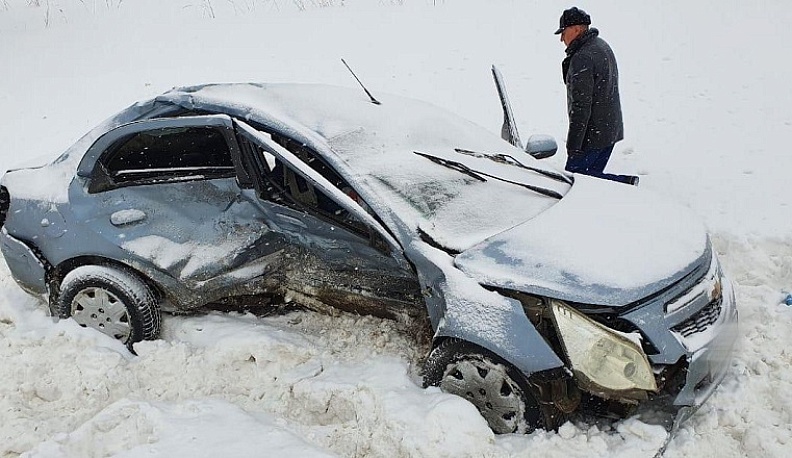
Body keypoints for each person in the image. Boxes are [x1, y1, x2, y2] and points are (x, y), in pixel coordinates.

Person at [555, 7, 639, 185]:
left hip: (592, 136)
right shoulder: (601, 45)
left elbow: (581, 106)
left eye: (564, 32)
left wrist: (574, 146)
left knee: (574, 181)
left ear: (577, 29)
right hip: (608, 131)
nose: (562, 38)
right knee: (591, 181)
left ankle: (627, 185)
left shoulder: (582, 58)